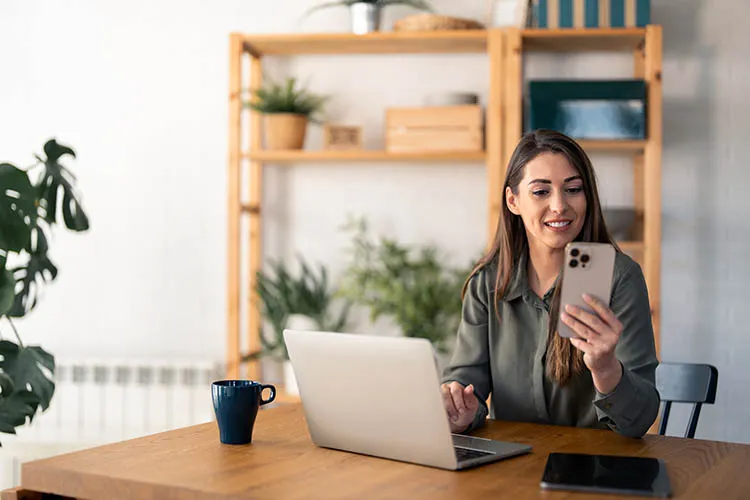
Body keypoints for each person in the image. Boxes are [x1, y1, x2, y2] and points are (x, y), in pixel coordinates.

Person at [440, 129, 660, 439]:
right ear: (513, 200)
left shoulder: (619, 277)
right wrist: (459, 409)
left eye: (573, 189)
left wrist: (606, 367)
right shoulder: (487, 282)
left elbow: (639, 421)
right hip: (513, 469)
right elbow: (467, 385)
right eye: (541, 191)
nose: (559, 205)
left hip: (597, 468)